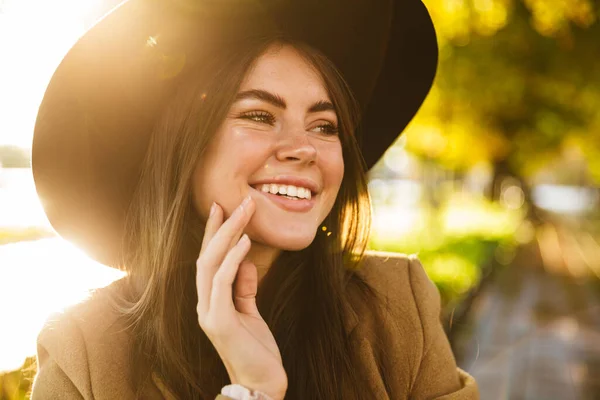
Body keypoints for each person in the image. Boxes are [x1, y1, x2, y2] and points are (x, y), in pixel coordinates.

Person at [30, 0, 479, 398]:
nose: (303, 148)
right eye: (260, 116)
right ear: (183, 147)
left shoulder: (400, 306)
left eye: (325, 126)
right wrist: (254, 392)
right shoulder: (82, 354)